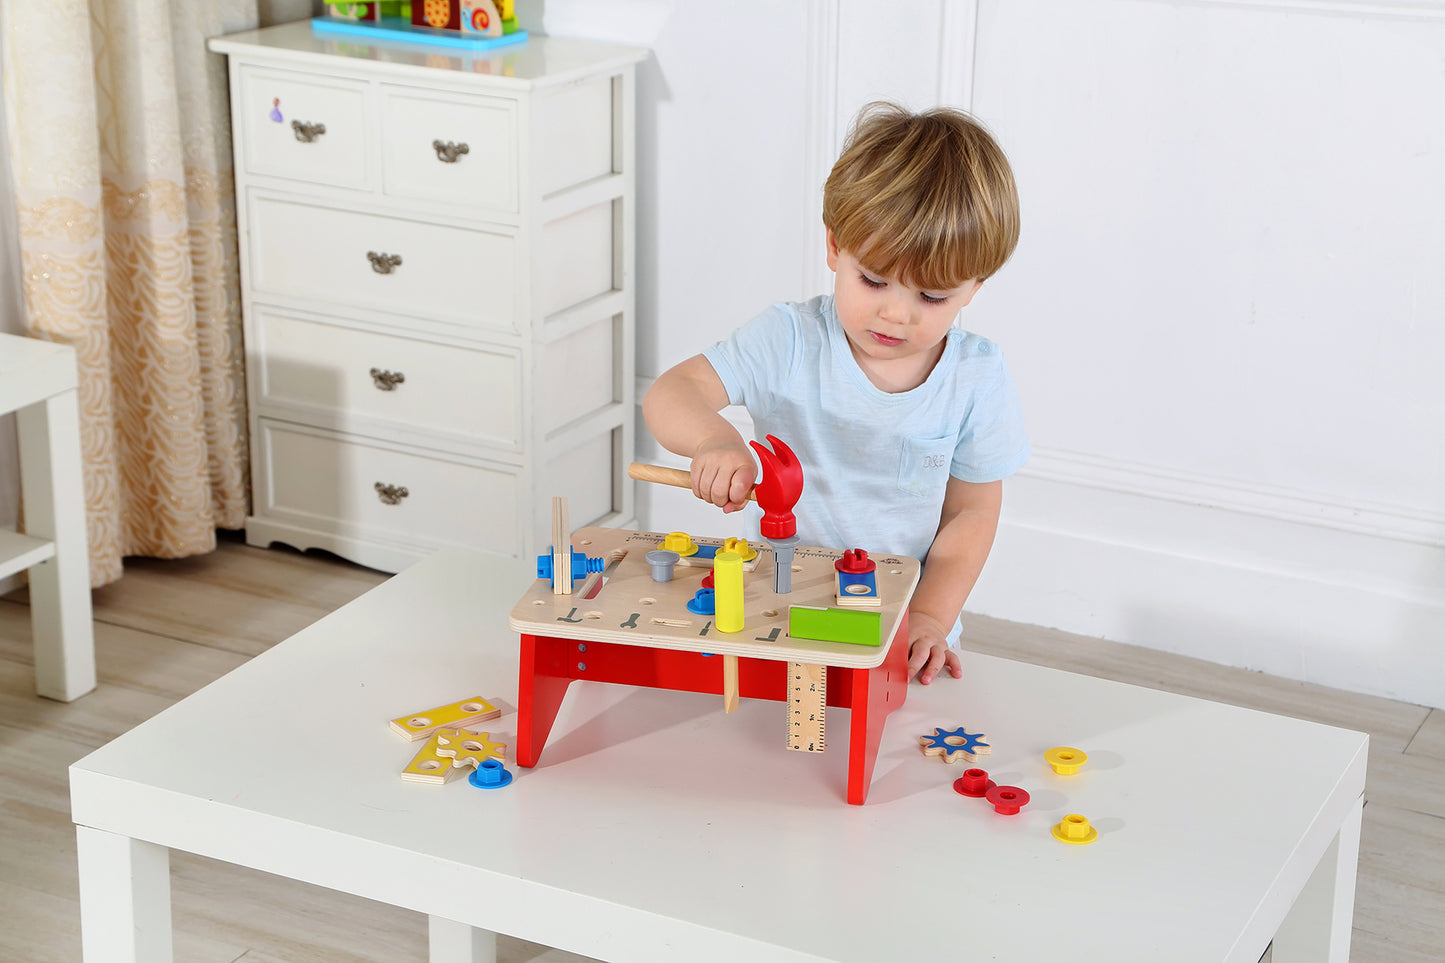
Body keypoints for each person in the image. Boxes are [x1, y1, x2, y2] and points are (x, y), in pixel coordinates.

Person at [642, 101, 1029, 684]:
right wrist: (713, 440)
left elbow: (972, 512)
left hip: (899, 631)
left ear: (974, 287)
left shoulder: (977, 375)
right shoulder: (789, 339)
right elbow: (674, 391)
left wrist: (929, 616)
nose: (896, 313)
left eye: (933, 297)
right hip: (780, 613)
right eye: (873, 280)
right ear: (833, 246)